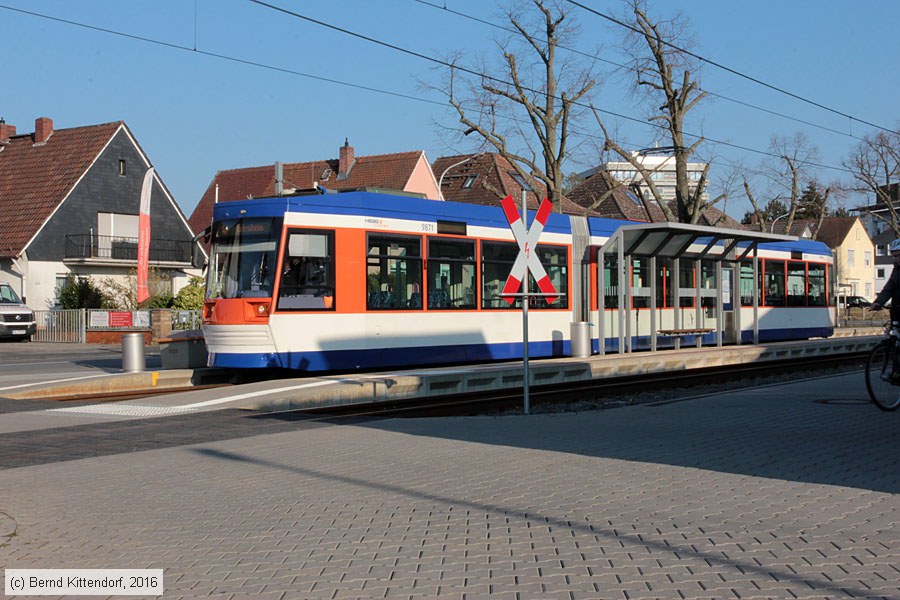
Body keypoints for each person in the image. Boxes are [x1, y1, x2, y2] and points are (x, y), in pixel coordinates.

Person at [870, 239, 900, 321]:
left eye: (899, 255)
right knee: (894, 329)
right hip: (897, 311)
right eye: (894, 256)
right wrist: (878, 302)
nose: (896, 259)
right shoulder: (896, 270)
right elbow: (889, 289)